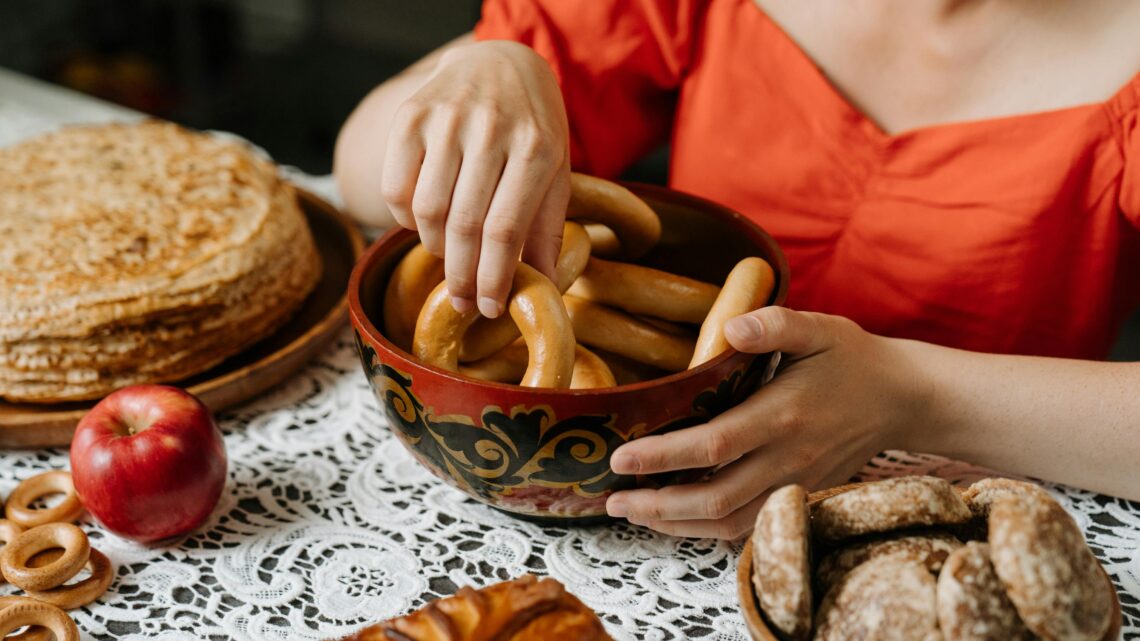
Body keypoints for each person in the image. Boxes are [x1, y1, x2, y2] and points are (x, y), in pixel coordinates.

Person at [334, 0, 1140, 539]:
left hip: (947, 527)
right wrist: (489, 68)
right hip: (625, 510)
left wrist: (914, 393)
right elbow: (359, 169)